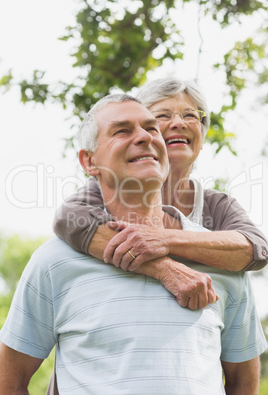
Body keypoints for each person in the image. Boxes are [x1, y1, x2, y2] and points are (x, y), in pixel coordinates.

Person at [0, 94, 266, 394]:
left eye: (152, 129)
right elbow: (9, 381)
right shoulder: (54, 261)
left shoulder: (220, 259)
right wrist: (162, 266)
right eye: (122, 130)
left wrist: (164, 241)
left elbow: (243, 382)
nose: (145, 137)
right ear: (89, 161)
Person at [53, 77, 268, 310]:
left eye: (190, 115)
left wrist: (164, 239)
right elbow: (69, 218)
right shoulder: (105, 188)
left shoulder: (217, 204)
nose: (179, 123)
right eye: (162, 116)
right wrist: (163, 267)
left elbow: (256, 249)